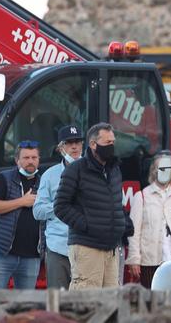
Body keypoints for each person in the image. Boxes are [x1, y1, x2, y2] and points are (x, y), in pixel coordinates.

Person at [54, 123, 126, 290]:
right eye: (108, 143)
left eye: (113, 142)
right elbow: (60, 206)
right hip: (87, 247)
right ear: (94, 144)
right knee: (86, 303)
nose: (112, 146)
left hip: (111, 248)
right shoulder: (76, 170)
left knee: (110, 302)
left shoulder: (114, 170)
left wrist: (122, 224)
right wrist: (87, 225)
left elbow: (115, 203)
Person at [0, 140, 41, 288]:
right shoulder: (5, 178)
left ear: (39, 160)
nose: (30, 161)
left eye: (34, 158)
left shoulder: (43, 182)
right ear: (17, 160)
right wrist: (22, 201)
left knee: (24, 307)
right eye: (26, 158)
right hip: (2, 253)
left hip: (31, 257)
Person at [33, 125, 84, 289]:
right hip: (58, 248)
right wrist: (61, 206)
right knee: (57, 303)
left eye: (77, 142)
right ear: (61, 148)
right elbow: (38, 211)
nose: (74, 146)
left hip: (87, 248)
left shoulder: (96, 172)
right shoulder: (49, 175)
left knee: (87, 302)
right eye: (69, 143)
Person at [125, 151, 171, 288]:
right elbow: (134, 232)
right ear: (154, 170)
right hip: (150, 261)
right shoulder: (142, 196)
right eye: (160, 168)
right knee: (151, 299)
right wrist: (134, 259)